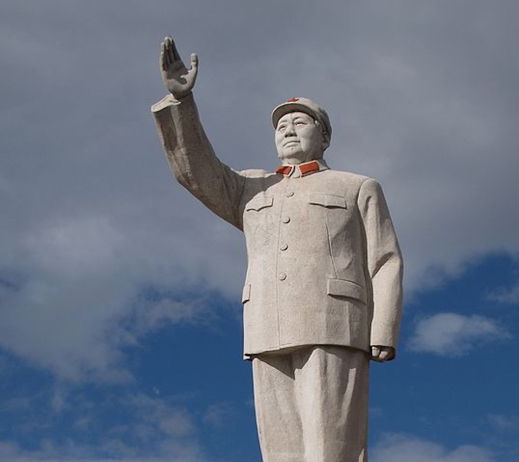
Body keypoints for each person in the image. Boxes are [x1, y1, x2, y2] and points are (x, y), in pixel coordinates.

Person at [152, 36, 403, 462]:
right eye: (280, 126)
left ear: (323, 137)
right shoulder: (251, 187)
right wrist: (182, 103)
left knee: (331, 444)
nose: (287, 130)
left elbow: (385, 260)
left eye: (299, 123)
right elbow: (196, 171)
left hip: (333, 320)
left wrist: (382, 330)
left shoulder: (356, 186)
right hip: (267, 322)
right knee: (279, 449)